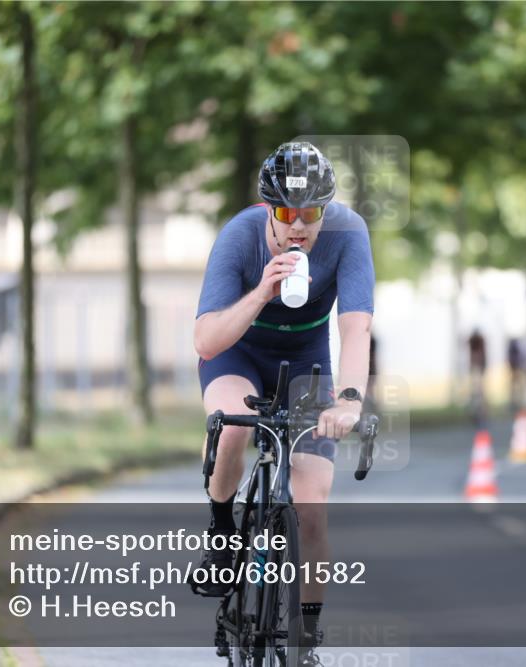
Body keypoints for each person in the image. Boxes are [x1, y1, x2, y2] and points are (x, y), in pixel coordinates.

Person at [191, 141, 375, 663]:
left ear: (326, 210)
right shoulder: (240, 235)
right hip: (237, 354)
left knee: (312, 506)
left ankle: (307, 640)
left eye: (311, 213)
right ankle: (223, 528)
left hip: (307, 362)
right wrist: (261, 291)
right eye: (286, 212)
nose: (299, 225)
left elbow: (356, 328)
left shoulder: (348, 233)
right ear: (268, 209)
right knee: (233, 424)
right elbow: (206, 341)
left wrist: (350, 401)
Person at [468, 329, 487, 428]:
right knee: (476, 394)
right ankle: (476, 414)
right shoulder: (475, 344)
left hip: (478, 368)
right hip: (476, 368)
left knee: (479, 394)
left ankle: (480, 415)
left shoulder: (479, 344)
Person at [507, 337, 526, 415]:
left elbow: (521, 359)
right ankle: (515, 403)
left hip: (518, 369)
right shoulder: (513, 348)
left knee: (518, 388)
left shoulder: (517, 348)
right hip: (515, 369)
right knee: (515, 388)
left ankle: (519, 404)